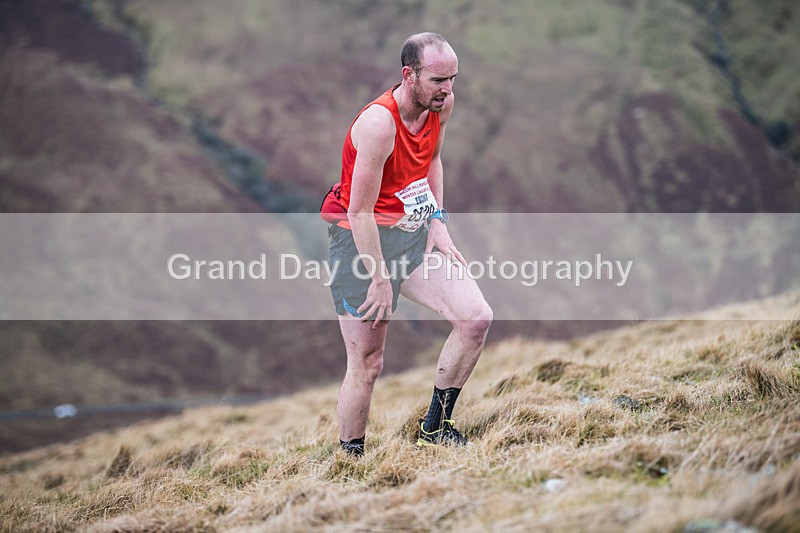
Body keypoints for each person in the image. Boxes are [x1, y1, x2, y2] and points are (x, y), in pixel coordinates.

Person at [326, 32, 493, 456]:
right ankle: (351, 460)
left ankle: (436, 427)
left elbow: (432, 161)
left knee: (475, 318)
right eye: (439, 79)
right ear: (409, 75)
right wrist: (379, 279)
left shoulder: (442, 107)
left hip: (411, 233)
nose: (448, 89)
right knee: (367, 364)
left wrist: (437, 219)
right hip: (360, 245)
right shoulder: (379, 125)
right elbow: (358, 212)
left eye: (453, 78)